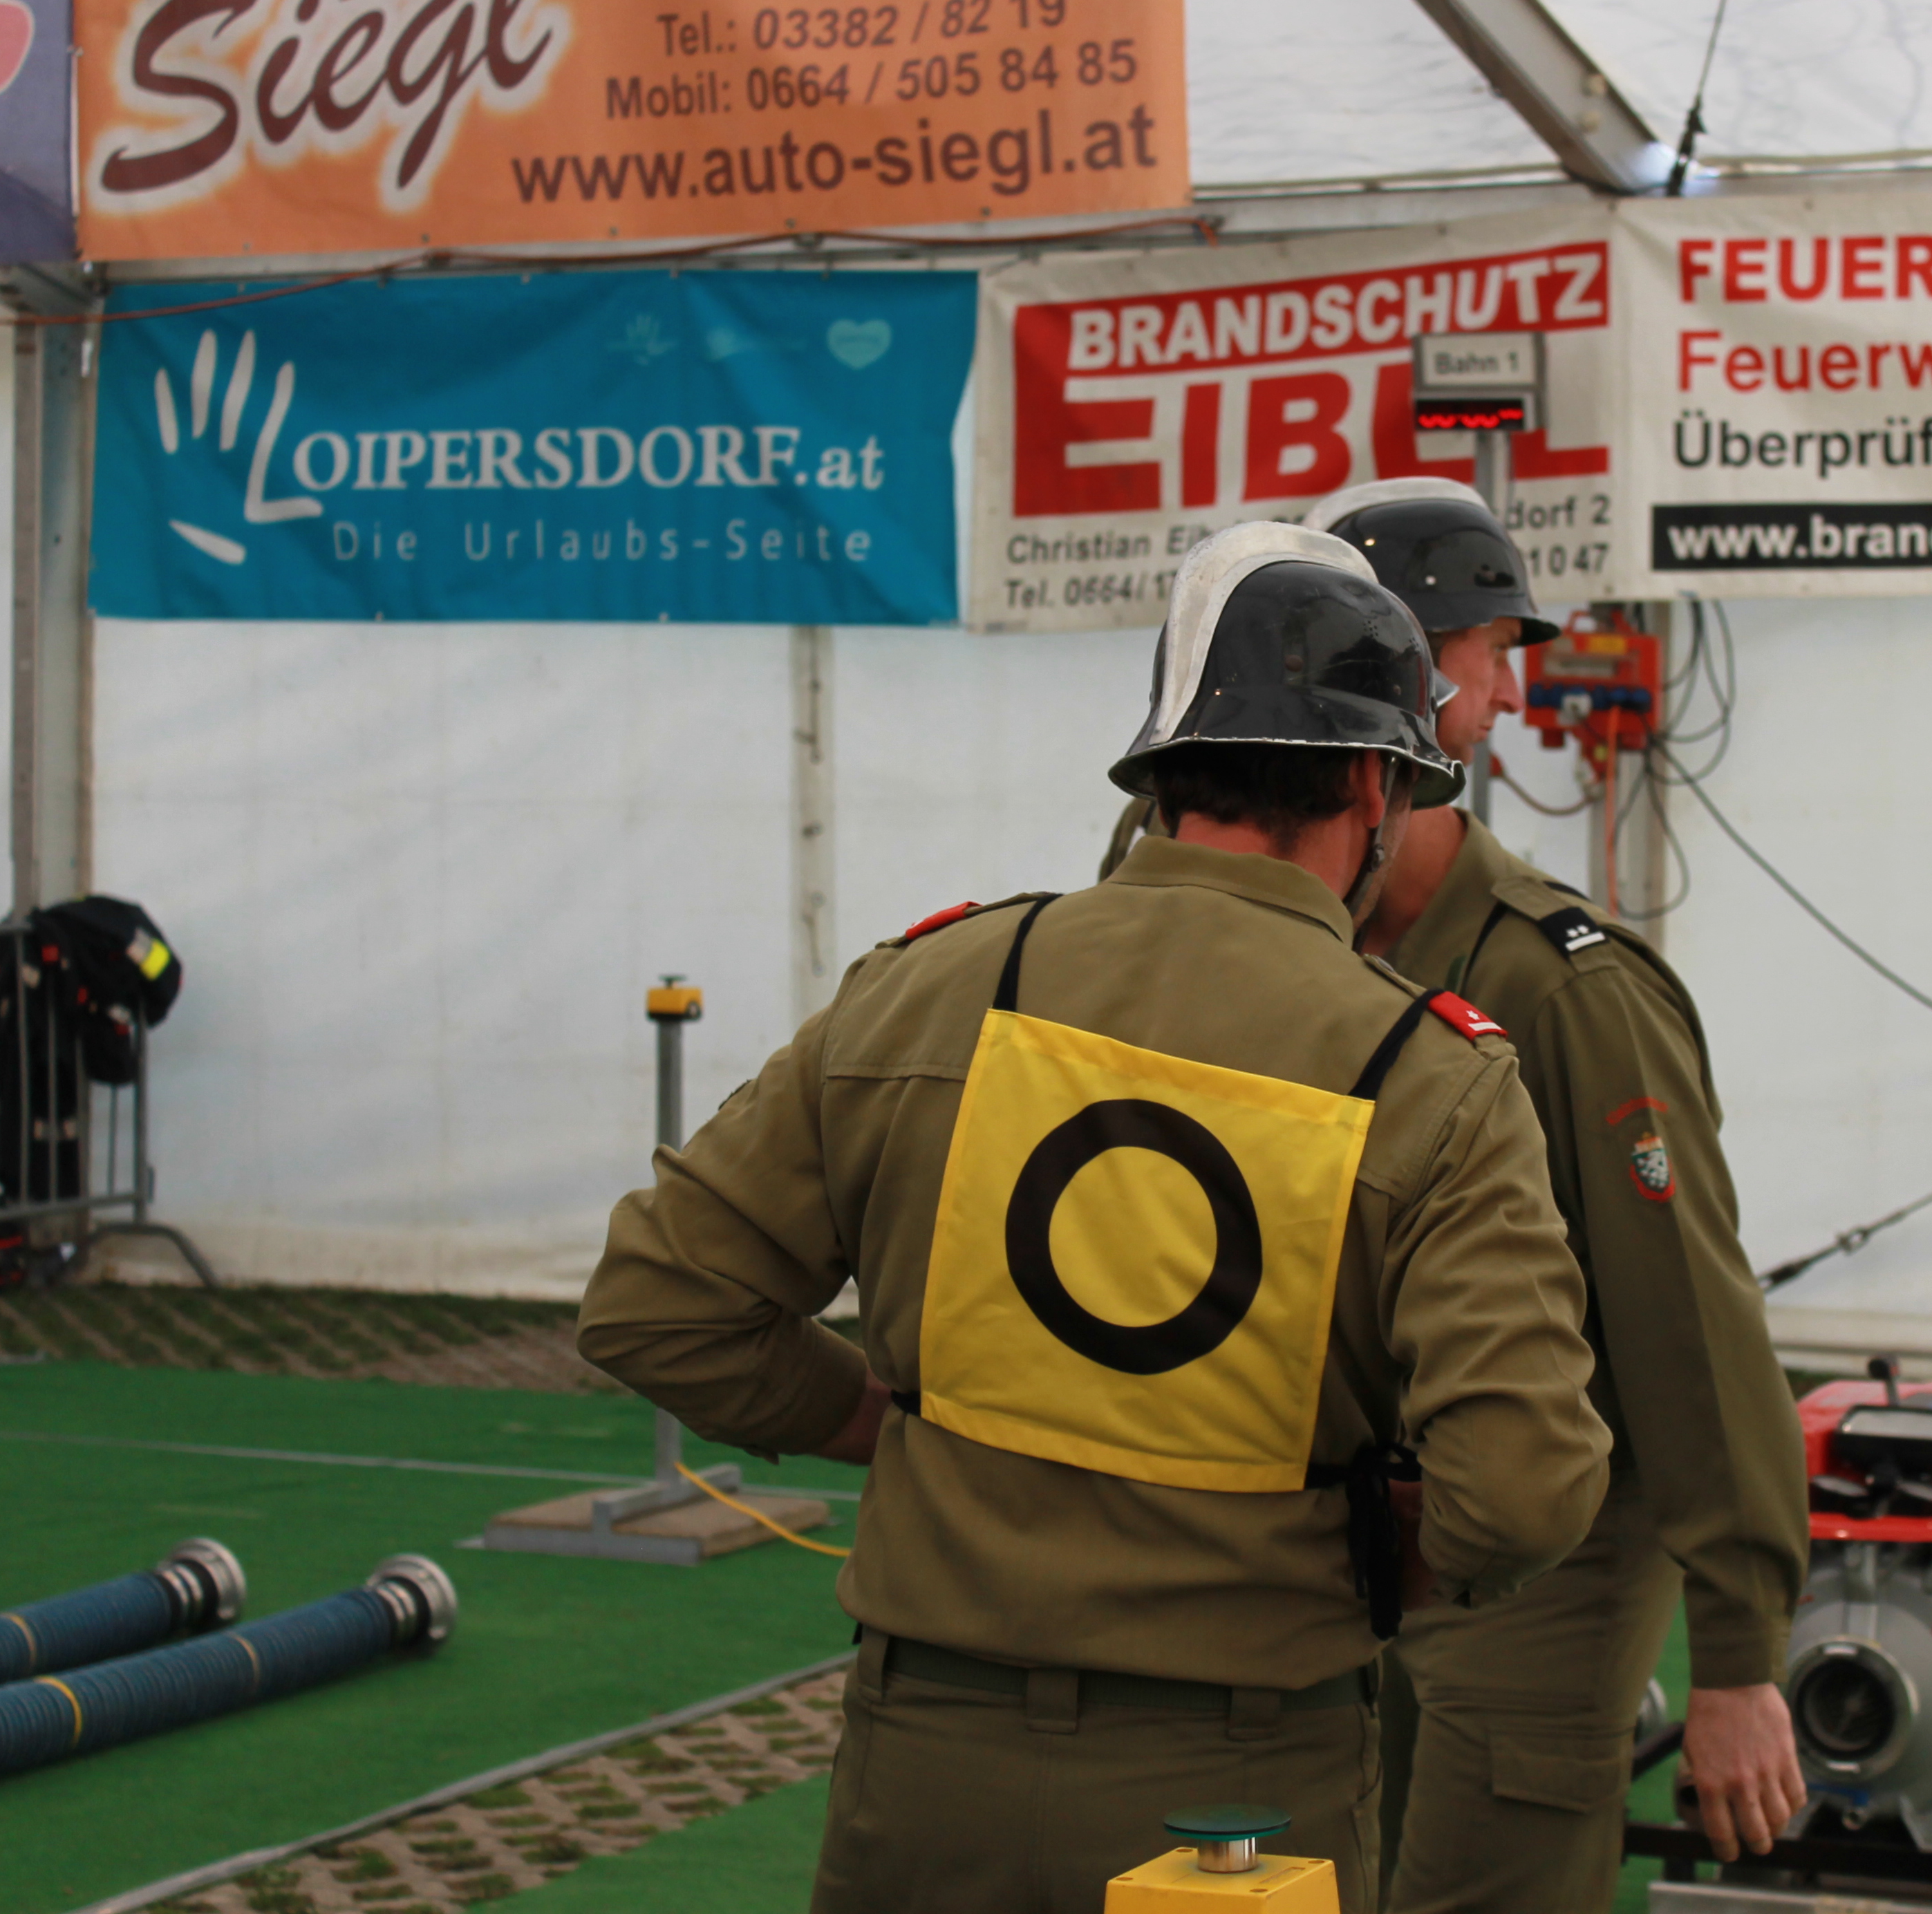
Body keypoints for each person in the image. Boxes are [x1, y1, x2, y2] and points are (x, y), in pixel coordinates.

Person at [578, 520, 1614, 1914]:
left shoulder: (935, 984)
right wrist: (1380, 1546)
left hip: (922, 1770)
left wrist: (877, 1421)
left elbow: (656, 1304)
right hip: (1241, 1798)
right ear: (1375, 784)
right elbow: (1526, 1489)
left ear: (1163, 772)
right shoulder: (1432, 1078)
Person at [1284, 479, 1810, 1911]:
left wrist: (1740, 1657)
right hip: (1336, 1533)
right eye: (1491, 652)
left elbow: (1689, 1327)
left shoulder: (1563, 989)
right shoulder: (1279, 953)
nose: (1511, 694)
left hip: (1537, 1568)